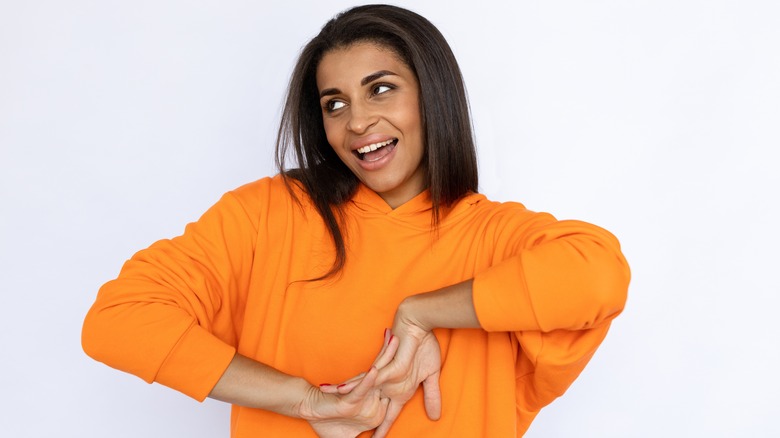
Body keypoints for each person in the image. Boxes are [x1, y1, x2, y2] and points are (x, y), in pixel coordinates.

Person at [82, 4, 630, 437]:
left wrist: (424, 314)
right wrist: (303, 400)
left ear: (432, 96)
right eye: (334, 104)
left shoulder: (495, 237)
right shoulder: (269, 214)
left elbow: (599, 277)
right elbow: (118, 320)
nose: (358, 121)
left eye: (382, 88)